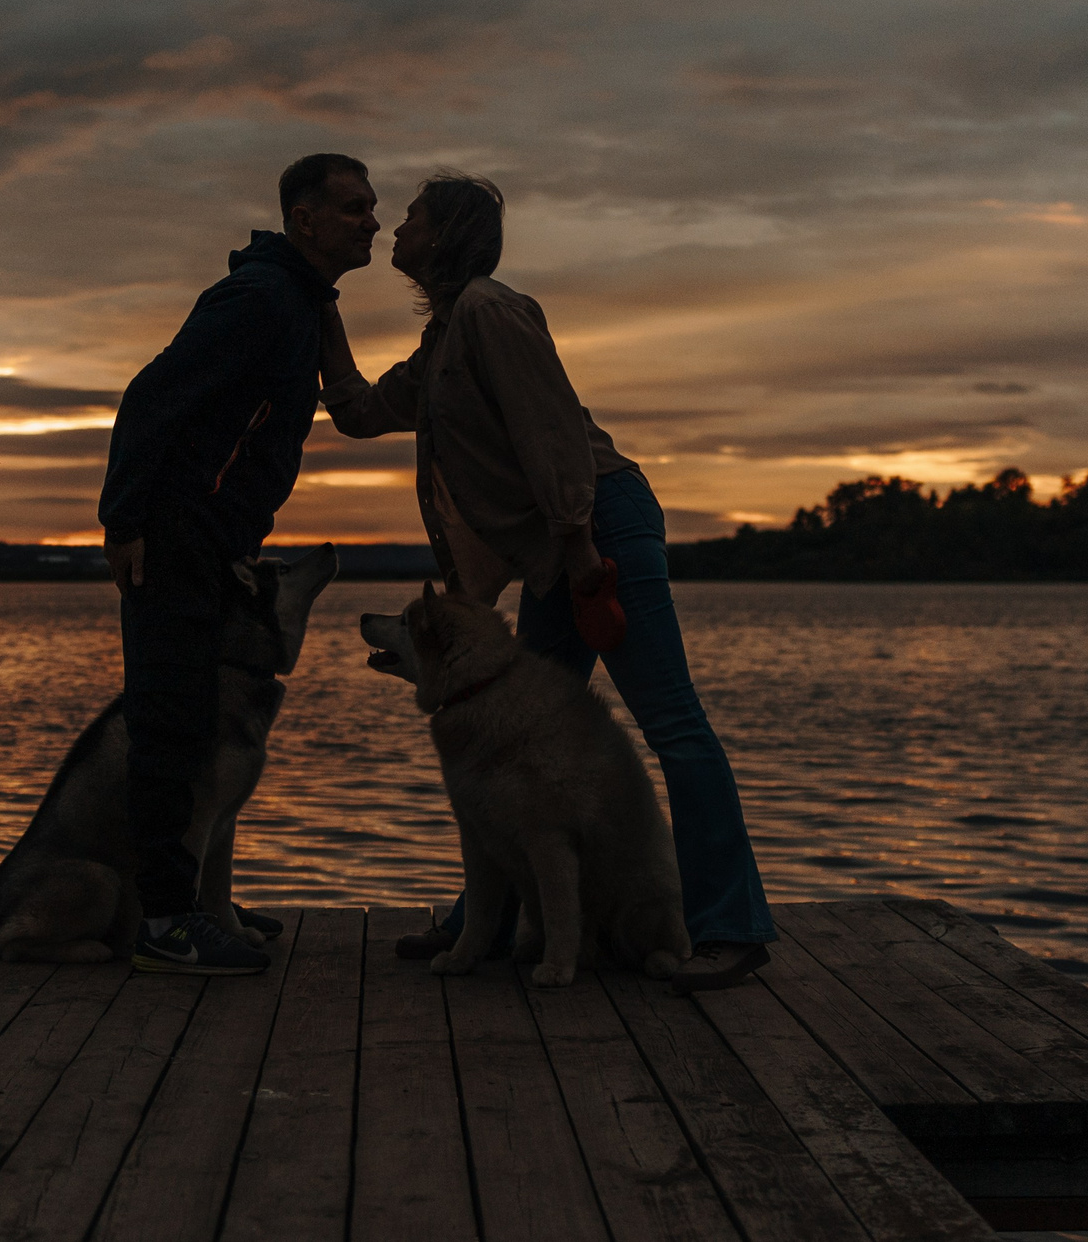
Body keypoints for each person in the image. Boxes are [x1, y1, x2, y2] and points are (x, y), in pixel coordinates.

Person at [319, 172, 775, 992]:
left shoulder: (494, 313)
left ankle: (731, 929)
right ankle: (483, 925)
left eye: (413, 215)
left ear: (445, 236)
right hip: (556, 550)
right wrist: (315, 304)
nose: (395, 223)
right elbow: (355, 411)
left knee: (673, 726)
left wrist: (579, 555)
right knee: (509, 737)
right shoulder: (446, 342)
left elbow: (553, 433)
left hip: (598, 530)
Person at [98, 152, 378, 975]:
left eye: (375, 207)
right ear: (305, 218)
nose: (373, 221)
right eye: (357, 207)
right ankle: (163, 922)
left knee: (204, 720)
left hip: (219, 545)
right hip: (175, 537)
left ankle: (197, 901)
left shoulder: (304, 301)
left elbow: (353, 401)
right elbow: (151, 397)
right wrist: (125, 523)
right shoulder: (258, 299)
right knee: (170, 723)